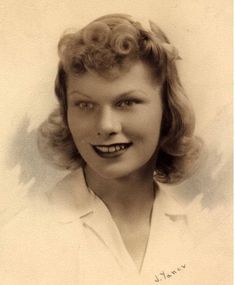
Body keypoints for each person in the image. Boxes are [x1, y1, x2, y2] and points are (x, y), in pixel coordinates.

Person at [0, 14, 202, 285]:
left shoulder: (204, 231)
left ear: (167, 110)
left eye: (127, 102)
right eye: (85, 105)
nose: (106, 126)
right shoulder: (23, 239)